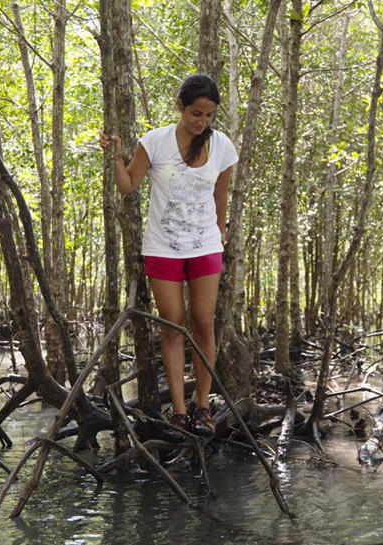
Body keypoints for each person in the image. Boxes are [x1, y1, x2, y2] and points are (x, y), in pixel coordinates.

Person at [100, 74, 238, 440]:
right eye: (196, 113)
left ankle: (203, 406)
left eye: (208, 115)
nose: (202, 122)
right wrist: (116, 154)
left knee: (203, 323)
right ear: (180, 106)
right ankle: (178, 411)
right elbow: (128, 185)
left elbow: (220, 197)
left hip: (206, 247)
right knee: (173, 325)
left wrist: (218, 237)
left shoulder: (221, 146)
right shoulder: (155, 142)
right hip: (163, 248)